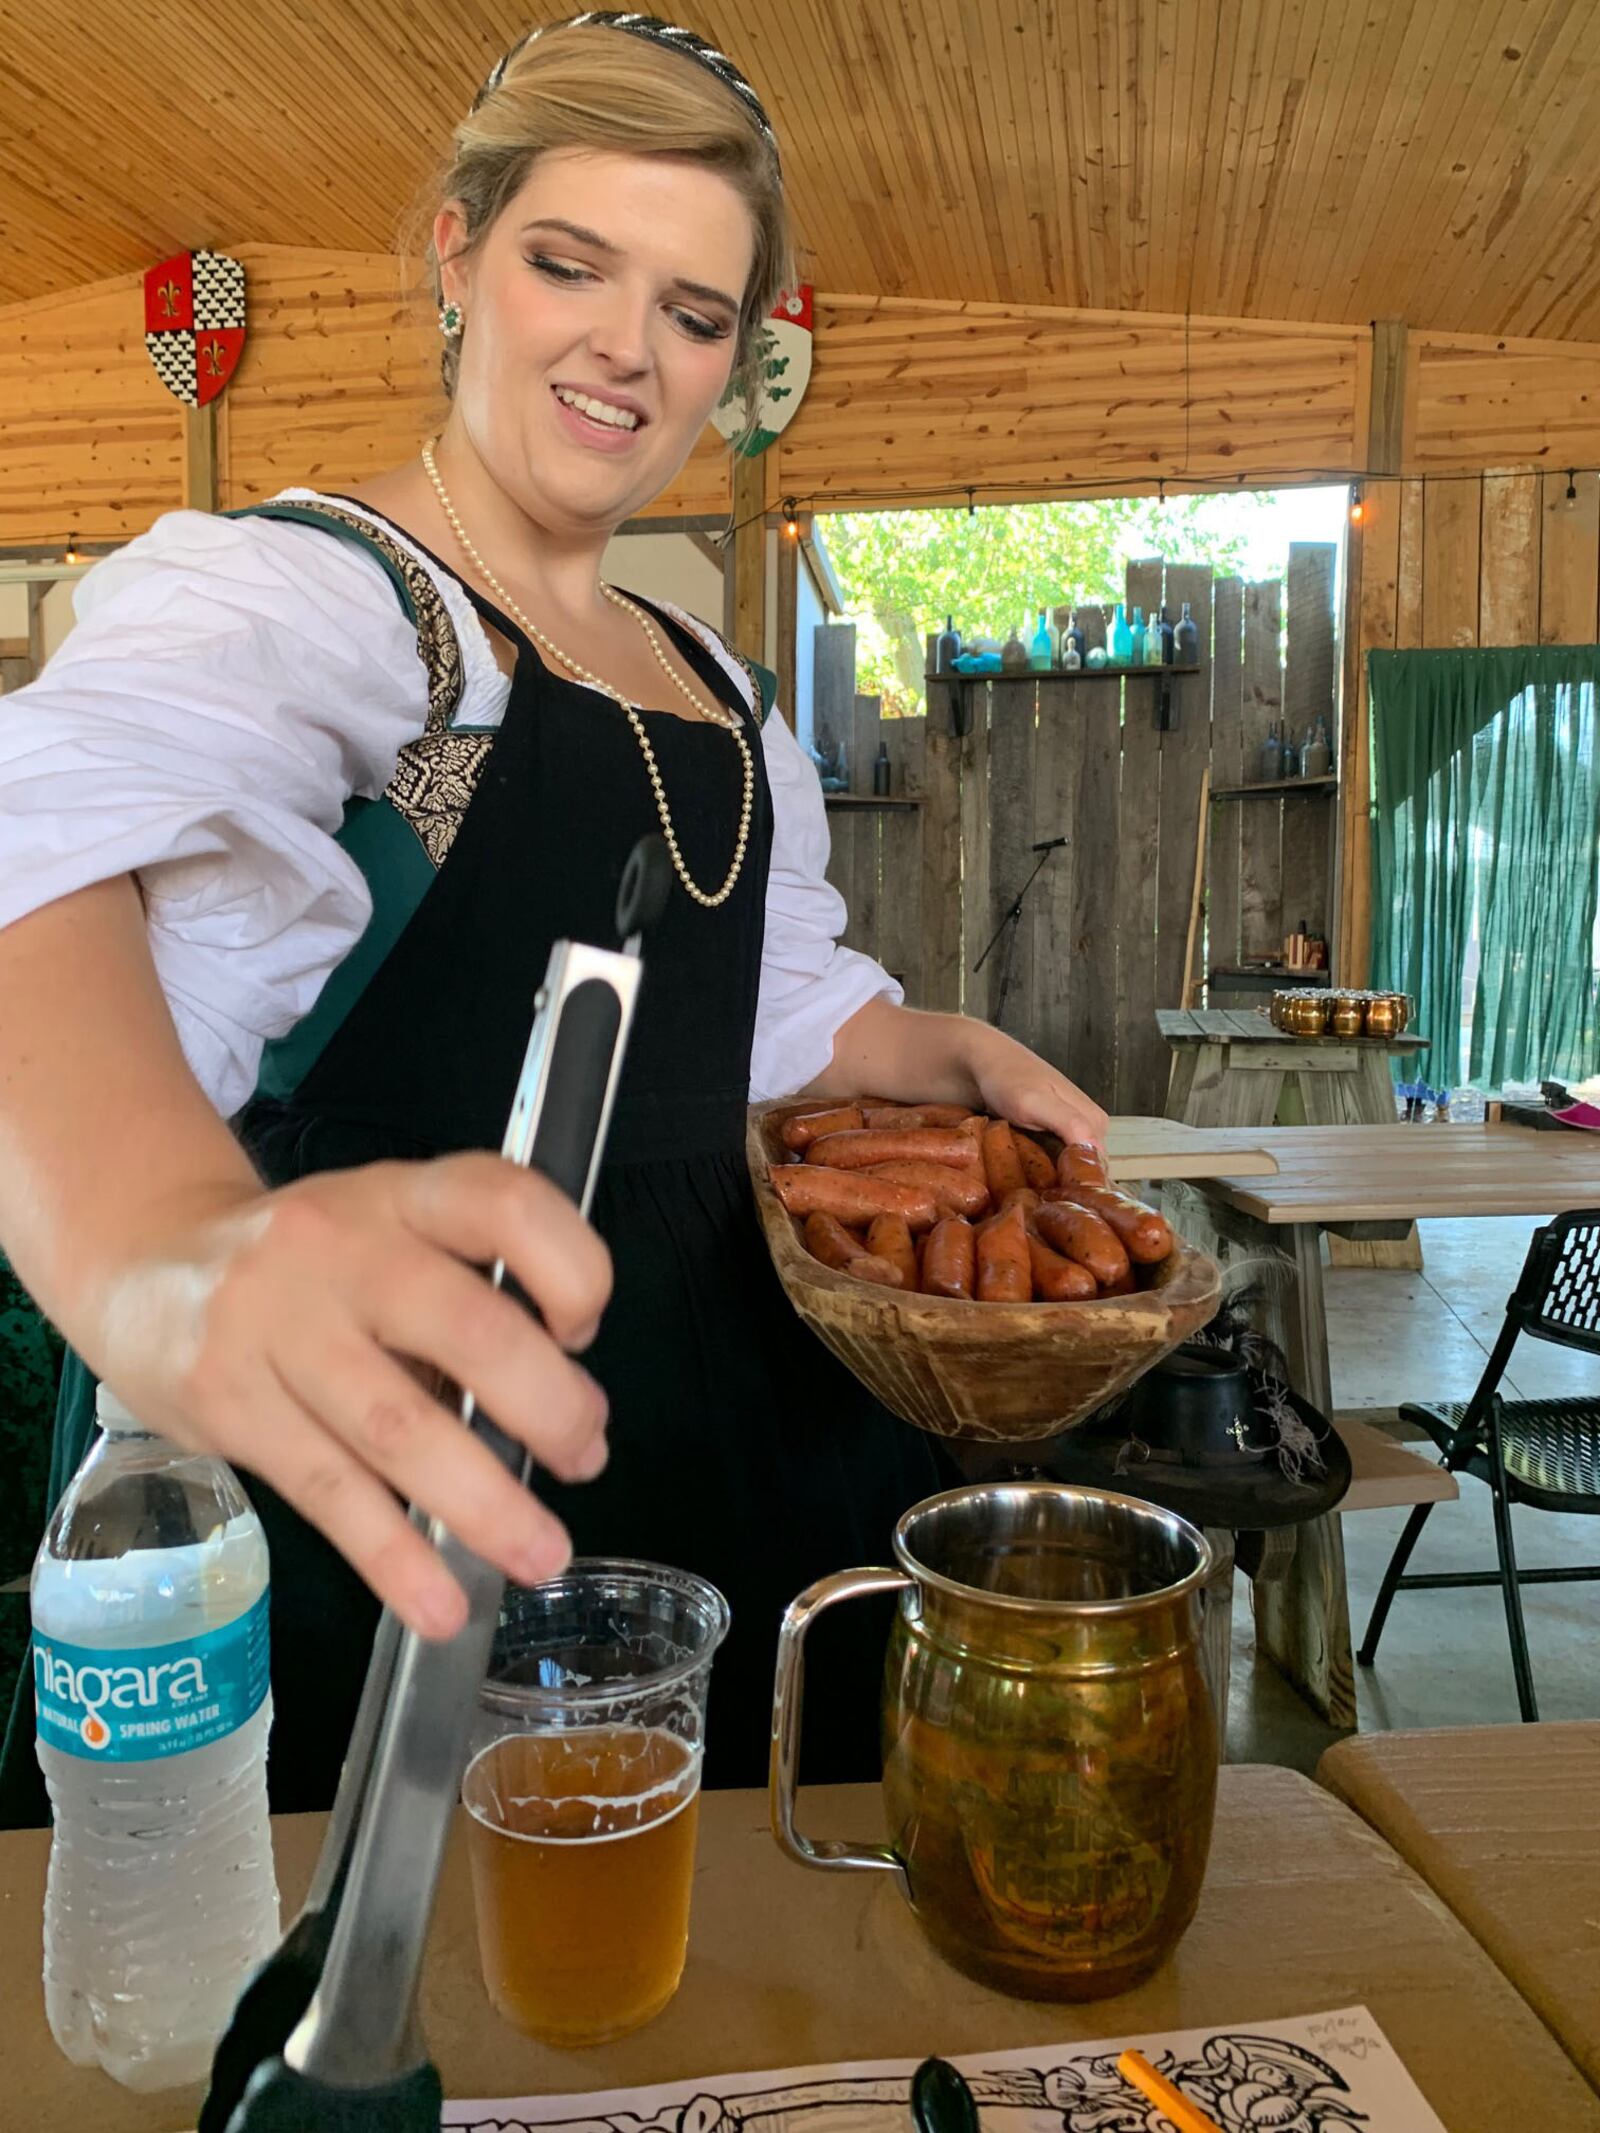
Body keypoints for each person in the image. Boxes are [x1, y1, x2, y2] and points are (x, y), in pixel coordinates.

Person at [0, 11, 1106, 1823]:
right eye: (569, 264)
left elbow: (769, 1011)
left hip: (752, 1432)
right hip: (409, 1460)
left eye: (692, 312)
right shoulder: (330, 607)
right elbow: (37, 860)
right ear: (456, 253)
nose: (627, 350)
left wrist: (937, 1049)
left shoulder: (729, 694)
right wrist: (162, 1242)